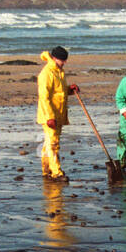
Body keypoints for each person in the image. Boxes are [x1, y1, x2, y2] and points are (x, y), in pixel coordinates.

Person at [36, 45, 79, 181]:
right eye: (62, 60)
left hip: (59, 114)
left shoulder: (59, 71)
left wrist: (69, 90)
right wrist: (49, 117)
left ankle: (46, 169)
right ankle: (56, 172)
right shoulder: (46, 73)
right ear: (54, 58)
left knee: (49, 143)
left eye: (65, 60)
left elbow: (58, 92)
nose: (64, 63)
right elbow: (45, 97)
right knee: (53, 143)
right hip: (49, 115)